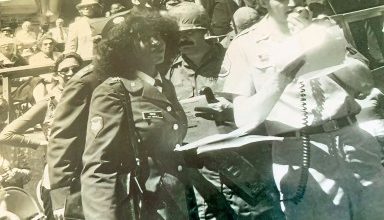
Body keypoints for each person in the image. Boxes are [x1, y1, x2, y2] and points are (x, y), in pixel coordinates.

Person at [212, 0, 384, 219]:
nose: (293, 2)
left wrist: (314, 41)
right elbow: (244, 118)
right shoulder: (245, 45)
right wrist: (282, 76)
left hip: (353, 142)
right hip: (301, 153)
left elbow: (365, 83)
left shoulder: (324, 28)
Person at [168, 3, 284, 219]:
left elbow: (262, 102)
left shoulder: (234, 59)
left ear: (205, 31)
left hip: (243, 161)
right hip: (203, 169)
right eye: (177, 36)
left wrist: (231, 110)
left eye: (190, 33)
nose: (182, 40)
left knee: (258, 215)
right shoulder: (171, 72)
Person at [80, 12, 196, 219]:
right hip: (145, 207)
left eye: (158, 36)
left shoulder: (164, 85)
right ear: (125, 48)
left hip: (178, 203)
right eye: (143, 38)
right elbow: (99, 166)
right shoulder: (114, 91)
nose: (156, 42)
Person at [0, 52, 83, 220]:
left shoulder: (92, 96)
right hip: (57, 173)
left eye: (75, 69)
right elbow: (7, 134)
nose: (70, 73)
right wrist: (40, 143)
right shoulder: (48, 103)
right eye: (64, 70)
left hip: (86, 171)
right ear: (56, 75)